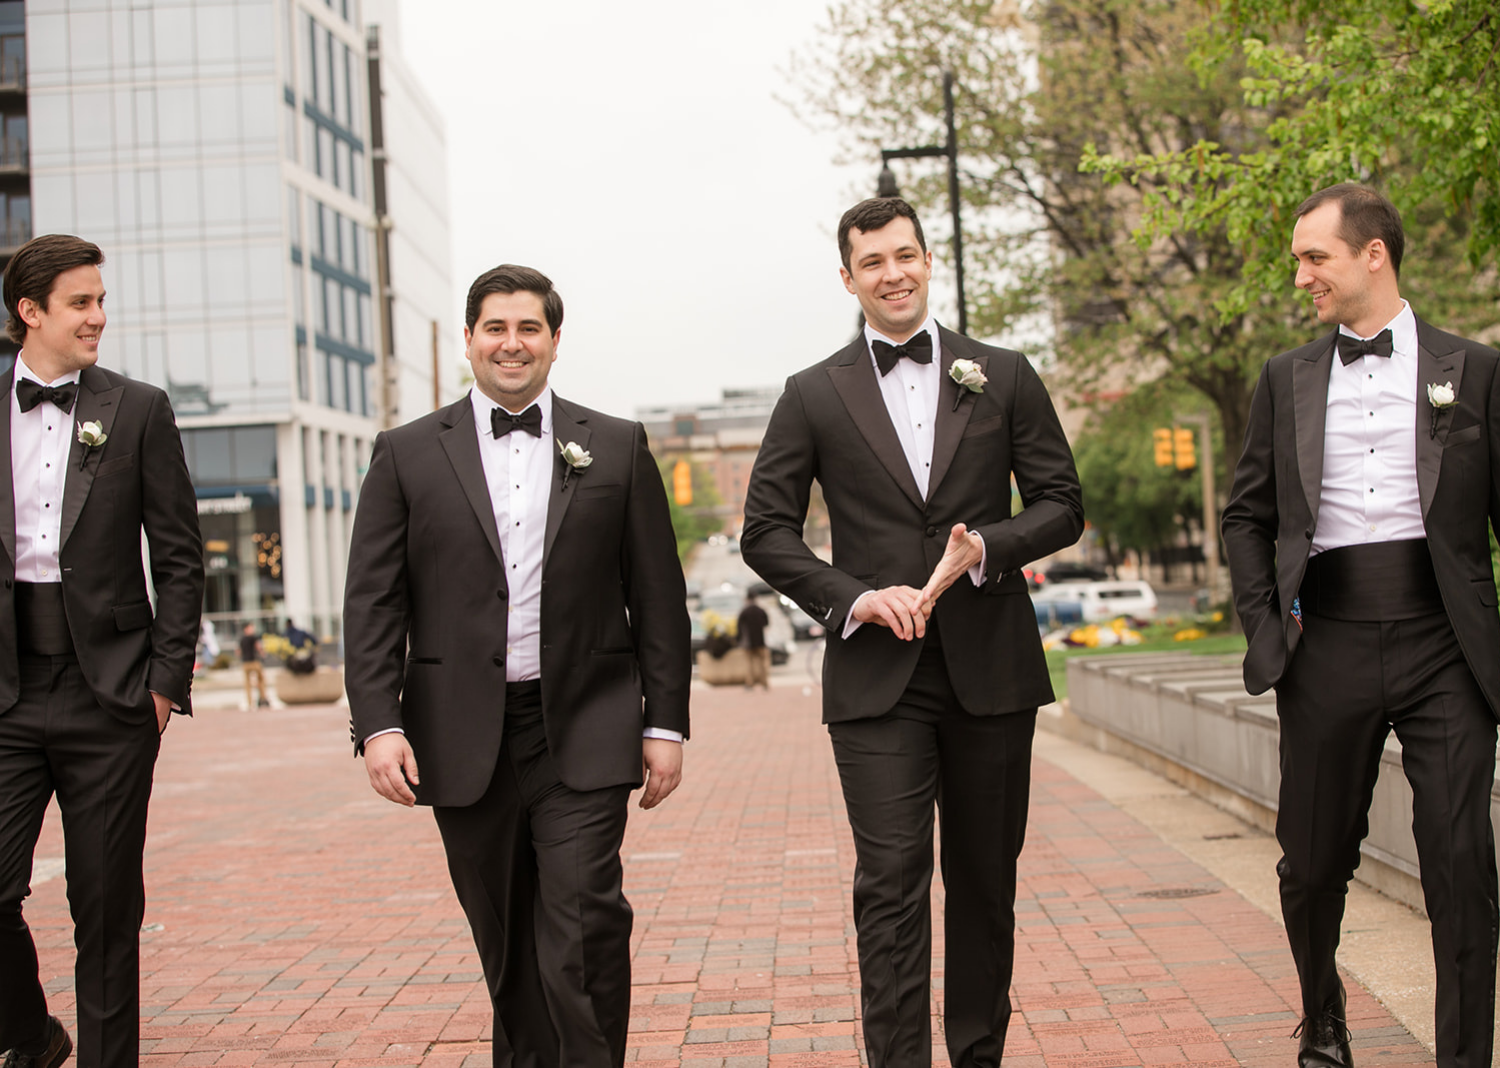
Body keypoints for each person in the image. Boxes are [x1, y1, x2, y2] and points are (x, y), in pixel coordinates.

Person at [741, 197, 1083, 1068]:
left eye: (905, 256)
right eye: (873, 262)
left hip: (992, 671)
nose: (892, 274)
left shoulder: (1002, 373)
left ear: (929, 260)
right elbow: (766, 530)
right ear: (848, 277)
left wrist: (986, 550)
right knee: (889, 885)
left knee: (983, 883)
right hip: (875, 677)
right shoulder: (812, 393)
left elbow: (1061, 503)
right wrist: (852, 598)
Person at [343, 264, 690, 1068]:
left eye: (529, 328)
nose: (512, 343)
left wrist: (665, 722)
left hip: (588, 722)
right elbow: (373, 604)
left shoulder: (616, 445)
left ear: (555, 342)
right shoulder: (403, 455)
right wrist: (379, 725)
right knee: (507, 949)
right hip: (459, 735)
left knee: (583, 922)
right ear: (469, 339)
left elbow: (658, 598)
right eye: (495, 327)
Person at [1221, 183, 1499, 1067]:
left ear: (1372, 254)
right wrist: (1268, 629)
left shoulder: (1476, 370)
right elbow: (1245, 515)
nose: (1301, 274)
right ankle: (1325, 1013)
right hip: (1327, 639)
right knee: (1309, 863)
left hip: (1444, 640)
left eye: (1315, 257)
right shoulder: (1285, 378)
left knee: (1460, 860)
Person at [0, 235, 203, 1068]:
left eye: (100, 300)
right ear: (30, 311)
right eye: (81, 303)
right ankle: (31, 1035)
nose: (98, 317)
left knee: (106, 907)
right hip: (7, 689)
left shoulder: (139, 408)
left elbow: (181, 556)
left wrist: (164, 682)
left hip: (113, 695)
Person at [736, 593, 770, 690]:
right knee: (763, 664)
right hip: (760, 641)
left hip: (748, 643)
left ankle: (749, 683)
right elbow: (766, 623)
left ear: (747, 599)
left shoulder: (744, 611)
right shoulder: (761, 610)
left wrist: (738, 639)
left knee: (748, 664)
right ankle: (765, 683)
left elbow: (739, 627)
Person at [240, 624, 266, 709]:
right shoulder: (253, 637)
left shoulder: (242, 639)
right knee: (261, 679)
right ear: (247, 629)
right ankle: (262, 698)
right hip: (254, 662)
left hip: (245, 663)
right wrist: (262, 654)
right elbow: (258, 646)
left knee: (247, 683)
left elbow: (238, 651)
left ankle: (250, 702)